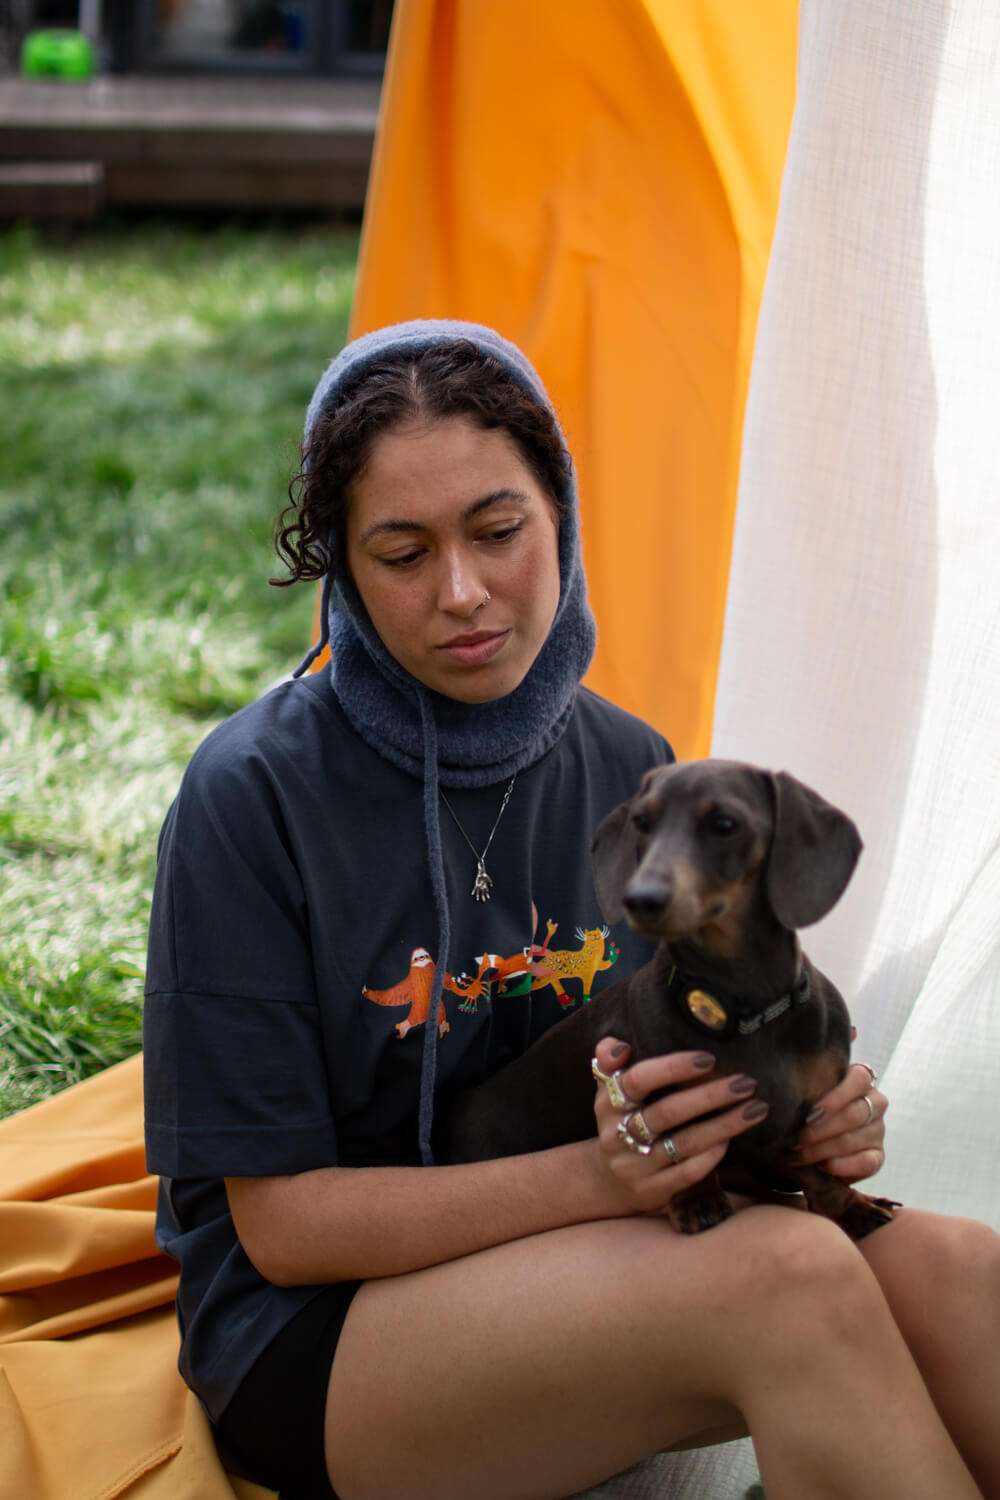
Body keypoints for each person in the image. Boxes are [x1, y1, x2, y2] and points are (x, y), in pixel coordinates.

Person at [143, 320, 1000, 1500]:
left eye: (499, 533)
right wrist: (601, 1180)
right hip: (321, 1335)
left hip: (586, 1252)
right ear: (342, 564)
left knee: (967, 1274)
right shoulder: (251, 795)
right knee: (789, 1279)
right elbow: (284, 1230)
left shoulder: (632, 774)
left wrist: (802, 1120)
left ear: (562, 514)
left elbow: (672, 1040)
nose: (462, 593)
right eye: (401, 553)